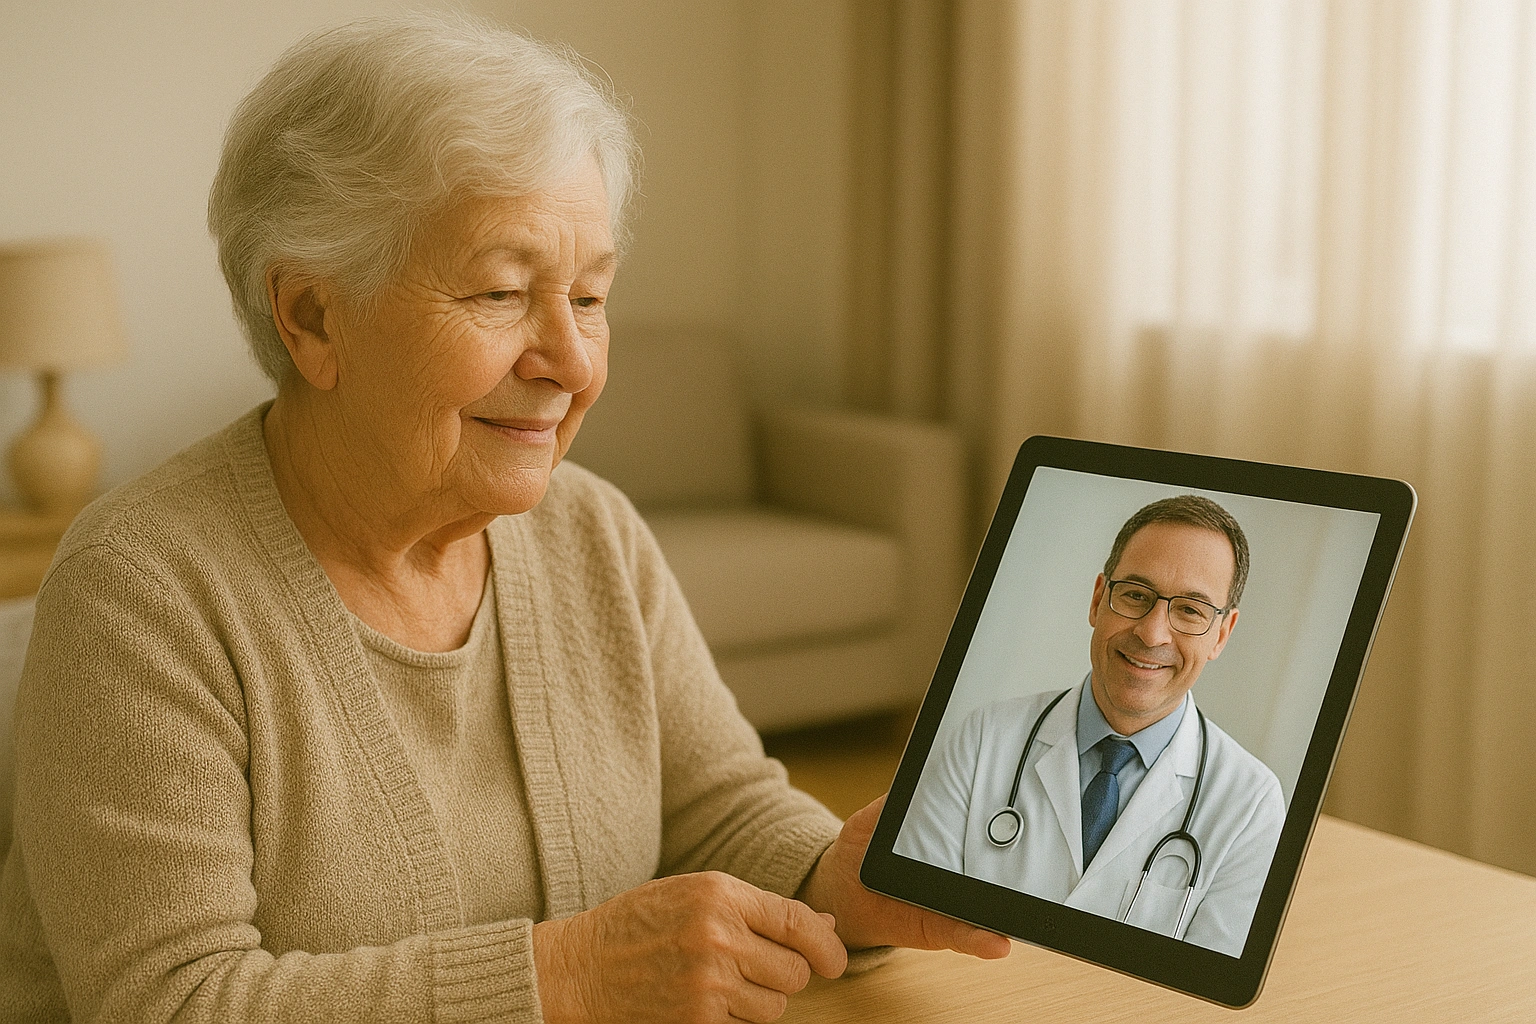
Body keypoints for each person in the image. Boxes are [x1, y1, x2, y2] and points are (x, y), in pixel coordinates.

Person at [0, 15, 1008, 1024]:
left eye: (590, 294)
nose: (571, 363)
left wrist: (835, 881)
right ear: (310, 316)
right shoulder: (142, 588)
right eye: (500, 289)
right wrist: (565, 978)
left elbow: (717, 806)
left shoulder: (592, 533)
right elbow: (165, 1003)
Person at [895, 495, 1285, 957]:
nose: (1153, 633)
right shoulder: (984, 737)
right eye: (1136, 595)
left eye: (1190, 611)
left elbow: (1209, 992)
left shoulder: (1252, 802)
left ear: (1221, 634)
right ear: (1099, 599)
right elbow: (911, 925)